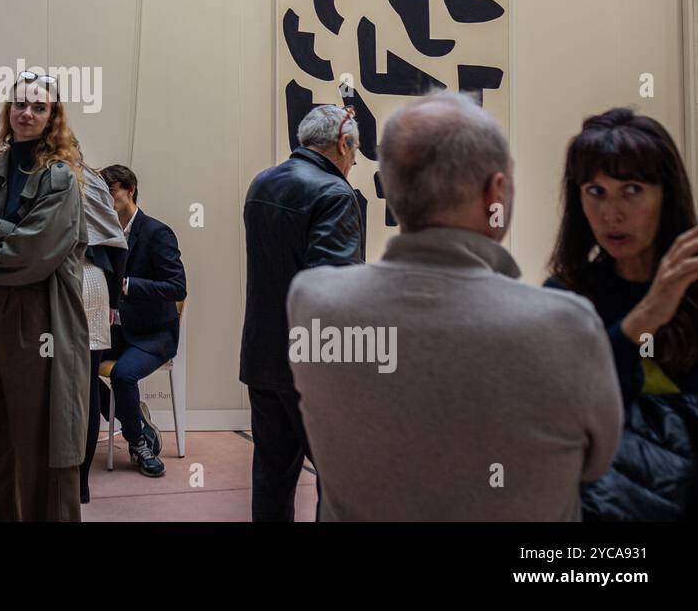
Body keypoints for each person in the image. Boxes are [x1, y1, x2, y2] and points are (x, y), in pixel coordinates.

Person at [289, 92, 623, 521]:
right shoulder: (568, 326)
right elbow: (597, 464)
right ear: (495, 193)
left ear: (390, 189)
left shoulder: (314, 302)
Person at [0, 72, 90, 521]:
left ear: (53, 117)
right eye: (19, 104)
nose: (26, 113)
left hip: (41, 315)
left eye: (38, 107)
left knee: (41, 436)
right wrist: (12, 233)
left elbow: (36, 253)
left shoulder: (61, 178)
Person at [240, 104, 364, 522]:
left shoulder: (262, 183)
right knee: (342, 479)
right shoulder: (335, 194)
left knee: (272, 475)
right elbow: (333, 288)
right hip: (313, 366)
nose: (354, 163)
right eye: (354, 152)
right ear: (343, 143)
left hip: (262, 356)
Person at [546, 109, 698, 403]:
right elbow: (569, 398)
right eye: (595, 191)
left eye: (632, 190)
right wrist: (647, 315)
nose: (611, 214)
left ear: (667, 196)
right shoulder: (565, 296)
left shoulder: (693, 289)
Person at [98, 163, 186, 481]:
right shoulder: (103, 235)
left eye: (110, 192)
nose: (105, 200)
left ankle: (139, 445)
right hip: (116, 332)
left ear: (130, 190)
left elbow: (177, 287)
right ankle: (135, 420)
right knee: (75, 366)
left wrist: (128, 285)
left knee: (122, 375)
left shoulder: (157, 232)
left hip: (154, 334)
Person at [78, 164, 128, 503]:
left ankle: (73, 480)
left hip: (75, 280)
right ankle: (79, 483)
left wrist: (113, 300)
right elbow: (117, 245)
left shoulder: (39, 170)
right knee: (86, 386)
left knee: (78, 386)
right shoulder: (90, 178)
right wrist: (113, 299)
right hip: (90, 281)